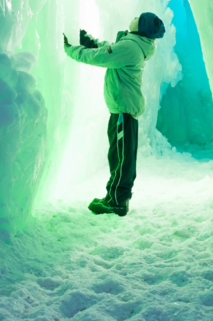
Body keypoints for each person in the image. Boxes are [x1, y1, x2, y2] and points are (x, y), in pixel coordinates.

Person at [63, 13, 165, 217]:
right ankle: (114, 197)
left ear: (140, 26)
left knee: (121, 157)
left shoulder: (130, 47)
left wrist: (70, 50)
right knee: (120, 156)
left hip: (123, 111)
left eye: (137, 18)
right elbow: (108, 49)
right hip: (123, 109)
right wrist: (89, 41)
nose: (133, 17)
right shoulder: (134, 45)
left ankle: (118, 202)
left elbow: (101, 56)